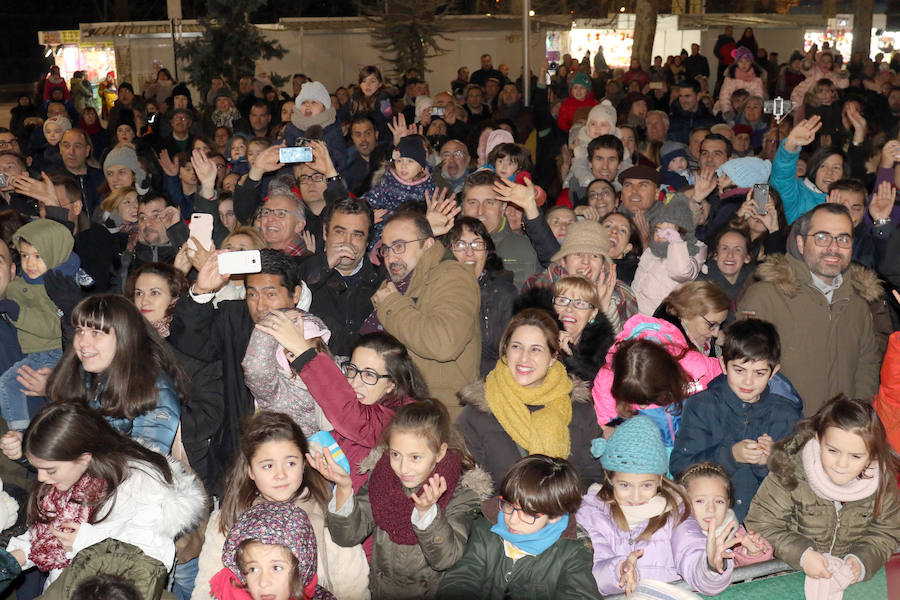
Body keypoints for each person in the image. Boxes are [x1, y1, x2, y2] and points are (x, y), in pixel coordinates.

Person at [5, 401, 205, 586]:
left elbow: (153, 558)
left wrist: (86, 540)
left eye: (50, 470)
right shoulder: (75, 477)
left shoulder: (141, 484)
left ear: (84, 458)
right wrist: (16, 556)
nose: (40, 478)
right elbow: (52, 533)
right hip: (67, 587)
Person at [313, 400, 491, 600]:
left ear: (440, 453)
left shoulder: (462, 493)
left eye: (415, 457)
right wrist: (344, 488)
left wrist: (427, 514)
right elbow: (347, 537)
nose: (403, 468)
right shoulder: (381, 478)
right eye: (396, 454)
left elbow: (445, 559)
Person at [193, 412, 367, 600]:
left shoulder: (327, 513)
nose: (280, 474)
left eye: (290, 463)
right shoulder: (229, 519)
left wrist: (343, 488)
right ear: (250, 470)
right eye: (268, 466)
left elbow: (352, 588)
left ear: (304, 463)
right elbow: (206, 589)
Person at [737, 204, 881, 415]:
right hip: (780, 435)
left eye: (843, 239)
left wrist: (856, 418)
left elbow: (867, 365)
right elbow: (742, 372)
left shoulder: (858, 304)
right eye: (822, 237)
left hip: (839, 437)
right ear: (801, 243)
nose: (833, 248)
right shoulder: (765, 296)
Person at [745, 397, 900, 590]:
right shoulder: (790, 470)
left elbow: (887, 531)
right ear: (819, 439)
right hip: (789, 580)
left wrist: (861, 561)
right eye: (833, 451)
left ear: (873, 454)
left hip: (850, 585)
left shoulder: (883, 482)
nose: (842, 464)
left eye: (856, 456)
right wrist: (802, 554)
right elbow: (761, 522)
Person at [577, 416, 734, 596]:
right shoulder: (592, 513)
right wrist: (619, 571)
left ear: (660, 479)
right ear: (609, 478)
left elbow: (690, 550)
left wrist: (710, 565)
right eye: (625, 485)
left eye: (646, 485)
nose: (636, 497)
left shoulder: (676, 510)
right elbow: (589, 571)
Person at [457, 309, 604, 493]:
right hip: (500, 518)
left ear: (553, 357)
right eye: (516, 347)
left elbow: (592, 478)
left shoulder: (579, 410)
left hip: (566, 517)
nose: (524, 358)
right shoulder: (476, 414)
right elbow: (466, 493)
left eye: (536, 349)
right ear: (506, 350)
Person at [670, 319, 802, 521]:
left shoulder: (786, 416)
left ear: (774, 372)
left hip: (765, 525)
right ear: (723, 365)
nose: (748, 381)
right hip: (708, 522)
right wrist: (730, 456)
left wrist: (769, 463)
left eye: (759, 373)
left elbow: (798, 484)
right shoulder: (701, 406)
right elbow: (680, 469)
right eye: (739, 370)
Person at [365, 209, 481, 418]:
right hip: (396, 410)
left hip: (438, 417)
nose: (391, 257)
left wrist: (392, 305)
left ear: (427, 244)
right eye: (386, 249)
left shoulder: (454, 277)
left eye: (399, 246)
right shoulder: (393, 286)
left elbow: (444, 344)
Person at [436, 455, 601, 600]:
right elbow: (461, 579)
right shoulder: (486, 527)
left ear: (555, 515)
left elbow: (580, 594)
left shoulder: (572, 550)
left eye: (528, 513)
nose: (512, 520)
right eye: (508, 505)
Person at [0, 219, 79, 431]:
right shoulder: (18, 292)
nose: (31, 263)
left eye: (38, 256)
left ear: (12, 270)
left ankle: (22, 433)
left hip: (51, 356)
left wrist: (57, 386)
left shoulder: (54, 289)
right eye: (25, 255)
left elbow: (55, 327)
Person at [212, 502, 335, 600]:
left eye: (276, 568)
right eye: (253, 569)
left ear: (301, 569)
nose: (263, 582)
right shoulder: (229, 595)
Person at [446, 217, 516, 377]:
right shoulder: (436, 291)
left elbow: (509, 354)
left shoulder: (504, 293)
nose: (469, 252)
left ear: (487, 251)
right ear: (448, 250)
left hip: (490, 384)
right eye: (460, 244)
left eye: (477, 244)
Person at [675, 462, 773, 566]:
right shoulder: (671, 538)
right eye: (700, 501)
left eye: (719, 501)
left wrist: (753, 553)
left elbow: (755, 572)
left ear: (728, 504)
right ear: (682, 502)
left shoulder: (737, 536)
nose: (711, 509)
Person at [460, 170, 539, 289]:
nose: (480, 211)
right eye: (473, 203)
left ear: (503, 208)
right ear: (462, 209)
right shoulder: (447, 247)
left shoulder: (527, 248)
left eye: (489, 202)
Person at [632, 195, 707, 316]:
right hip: (633, 311)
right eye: (657, 229)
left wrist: (676, 242)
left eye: (668, 232)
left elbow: (681, 273)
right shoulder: (652, 249)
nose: (660, 235)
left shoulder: (691, 251)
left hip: (658, 319)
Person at [771, 116, 847, 224]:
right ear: (814, 169)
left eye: (836, 168)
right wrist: (790, 146)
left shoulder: (849, 199)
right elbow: (782, 177)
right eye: (823, 166)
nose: (829, 173)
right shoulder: (799, 194)